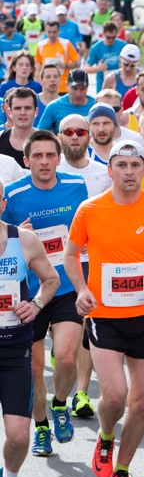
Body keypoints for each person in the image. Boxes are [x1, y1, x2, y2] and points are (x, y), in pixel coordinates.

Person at [64, 139, 144, 477]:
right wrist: (82, 290)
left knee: (141, 402)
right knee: (115, 397)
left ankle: (123, 470)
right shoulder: (90, 209)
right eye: (122, 165)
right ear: (110, 169)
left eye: (135, 165)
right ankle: (105, 436)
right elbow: (71, 255)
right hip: (105, 316)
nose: (129, 172)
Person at [3, 130, 89, 458]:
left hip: (66, 285)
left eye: (49, 155)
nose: (43, 161)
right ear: (26, 161)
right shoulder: (12, 194)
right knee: (36, 369)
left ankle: (60, 403)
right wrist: (16, 234)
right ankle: (41, 426)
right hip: (29, 293)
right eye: (36, 156)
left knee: (66, 357)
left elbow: (85, 231)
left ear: (58, 158)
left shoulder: (75, 187)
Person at [0, 189, 60, 477]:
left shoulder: (23, 240)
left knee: (19, 435)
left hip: (13, 350)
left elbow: (50, 280)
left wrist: (35, 304)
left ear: (3, 204)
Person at [57, 115, 111, 197]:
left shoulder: (104, 174)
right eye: (68, 132)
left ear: (89, 139)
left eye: (81, 132)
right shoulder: (50, 169)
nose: (75, 137)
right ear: (59, 138)